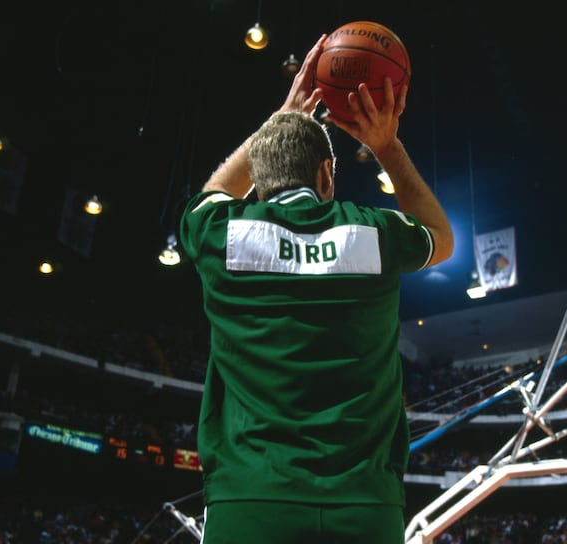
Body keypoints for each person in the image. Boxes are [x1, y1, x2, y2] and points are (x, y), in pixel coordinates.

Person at [178, 33, 454, 543]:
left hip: (249, 501)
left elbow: (212, 195)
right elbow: (441, 237)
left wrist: (279, 119)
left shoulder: (223, 233)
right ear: (327, 175)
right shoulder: (374, 232)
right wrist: (387, 146)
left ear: (258, 187)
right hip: (365, 506)